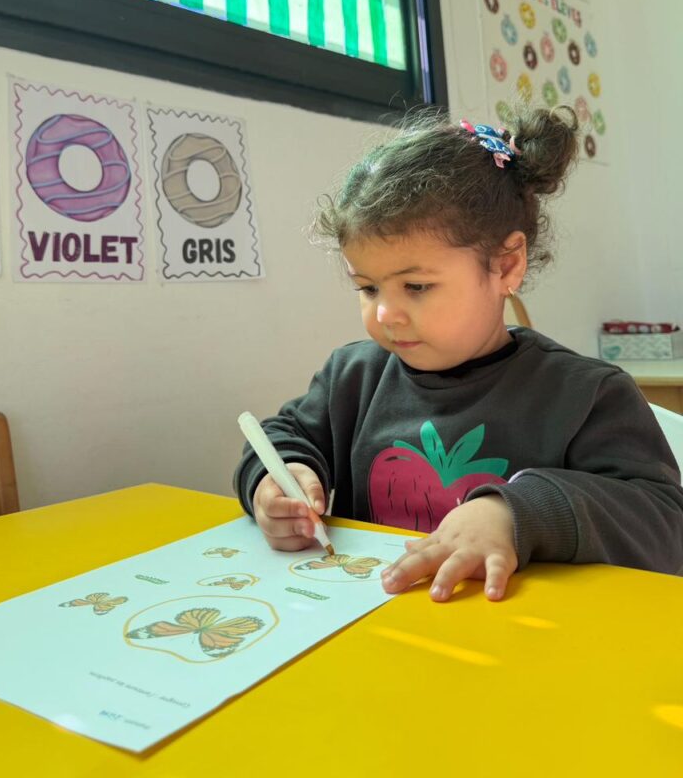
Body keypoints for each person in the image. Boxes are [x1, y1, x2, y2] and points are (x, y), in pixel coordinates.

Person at [233, 107, 683, 601]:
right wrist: (279, 479)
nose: (385, 313)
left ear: (506, 266)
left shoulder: (586, 395)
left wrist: (515, 513)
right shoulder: (352, 378)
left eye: (416, 286)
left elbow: (663, 521)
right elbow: (282, 436)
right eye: (367, 287)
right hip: (375, 624)